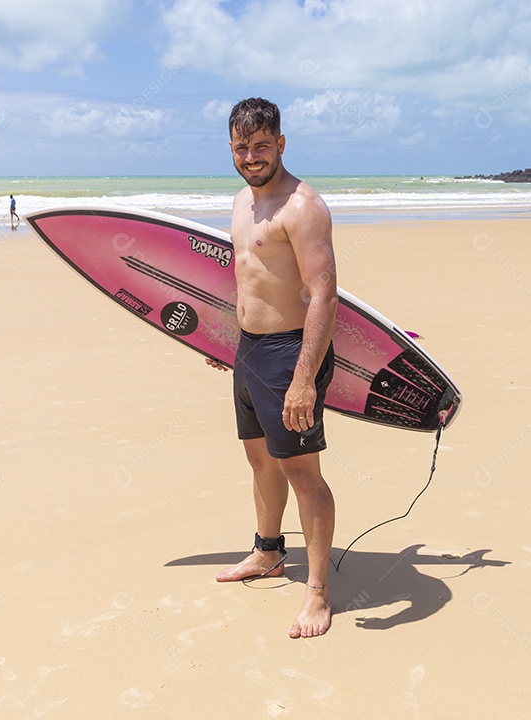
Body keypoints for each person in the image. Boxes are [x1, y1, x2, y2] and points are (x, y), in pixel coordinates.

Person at [206, 98, 338, 638]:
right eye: (242, 147)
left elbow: (324, 296)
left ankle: (319, 595)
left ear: (281, 144)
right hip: (250, 350)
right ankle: (267, 553)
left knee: (302, 474)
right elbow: (246, 279)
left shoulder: (302, 207)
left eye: (262, 146)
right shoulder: (241, 201)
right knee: (259, 460)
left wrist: (304, 378)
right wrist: (223, 340)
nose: (252, 156)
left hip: (291, 353)